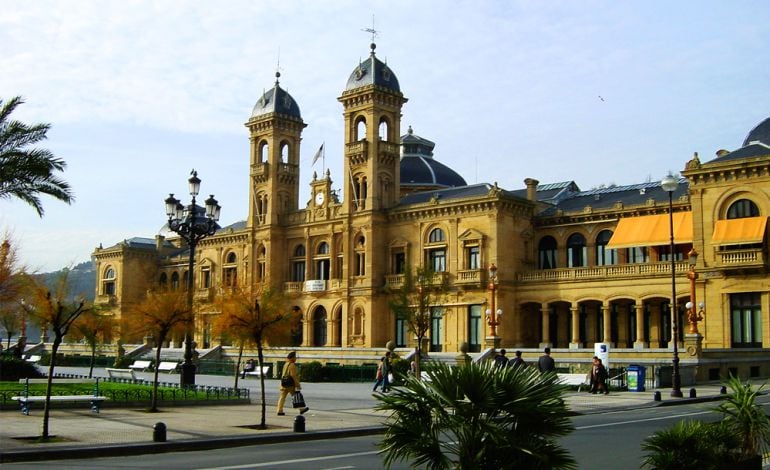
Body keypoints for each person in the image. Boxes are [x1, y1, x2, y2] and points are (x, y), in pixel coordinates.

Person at [276, 351, 309, 415]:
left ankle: (279, 410)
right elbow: (293, 376)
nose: (296, 359)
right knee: (296, 396)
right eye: (295, 357)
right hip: (290, 384)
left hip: (284, 383)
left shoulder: (285, 364)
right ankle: (301, 409)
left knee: (282, 397)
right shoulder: (292, 365)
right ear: (292, 358)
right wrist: (297, 385)